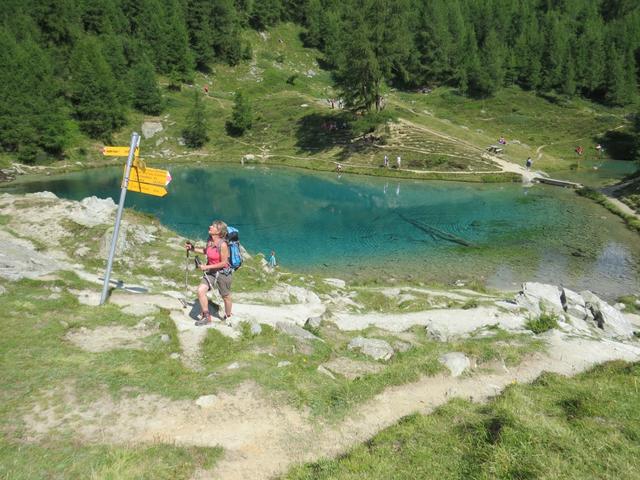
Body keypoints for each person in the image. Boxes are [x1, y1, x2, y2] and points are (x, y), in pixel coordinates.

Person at [185, 220, 233, 326]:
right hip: (211, 272)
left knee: (226, 296)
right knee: (200, 290)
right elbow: (206, 251)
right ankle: (206, 316)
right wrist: (192, 248)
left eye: (213, 226)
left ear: (219, 231)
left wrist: (206, 266)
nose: (210, 226)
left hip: (223, 273)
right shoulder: (209, 240)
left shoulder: (223, 245)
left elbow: (224, 263)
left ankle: (228, 316)